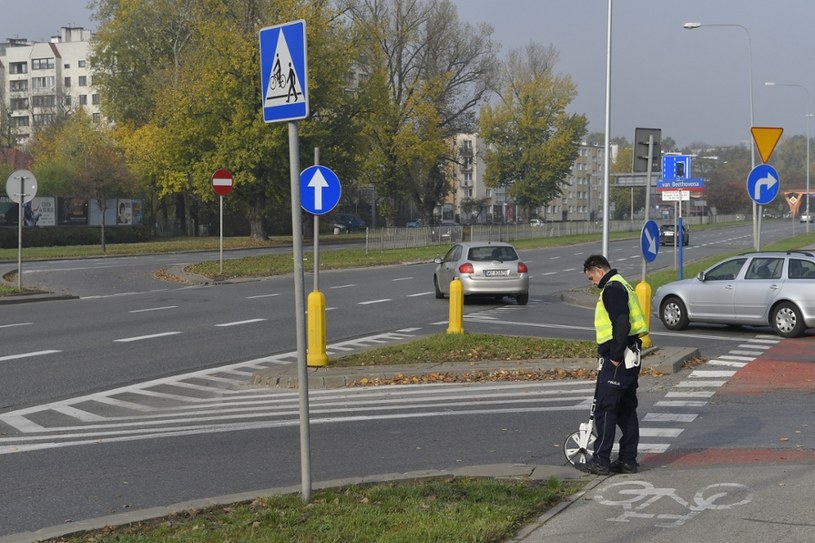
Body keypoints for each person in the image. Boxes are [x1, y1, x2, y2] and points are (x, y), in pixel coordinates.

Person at [581, 254, 648, 475]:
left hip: (619, 356)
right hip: (631, 355)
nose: (592, 283)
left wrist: (615, 355)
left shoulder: (612, 288)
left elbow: (621, 321)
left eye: (591, 278)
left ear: (599, 270)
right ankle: (628, 460)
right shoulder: (623, 284)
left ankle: (601, 460)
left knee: (606, 409)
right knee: (626, 409)